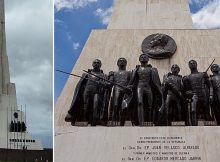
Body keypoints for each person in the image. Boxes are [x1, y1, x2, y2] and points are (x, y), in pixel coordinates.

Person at [65, 59, 109, 126]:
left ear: (100, 65)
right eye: (94, 62)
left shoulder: (103, 75)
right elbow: (80, 85)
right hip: (87, 91)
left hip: (96, 91)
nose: (96, 64)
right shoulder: (86, 74)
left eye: (98, 63)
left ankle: (94, 121)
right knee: (85, 105)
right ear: (92, 64)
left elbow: (106, 84)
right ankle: (83, 120)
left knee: (96, 105)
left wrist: (101, 82)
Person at [124, 54, 162, 126]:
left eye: (145, 57)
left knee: (150, 105)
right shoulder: (136, 70)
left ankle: (150, 121)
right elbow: (132, 81)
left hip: (148, 87)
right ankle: (141, 122)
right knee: (140, 103)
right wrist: (129, 87)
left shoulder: (152, 69)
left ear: (148, 59)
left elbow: (156, 82)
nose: (143, 58)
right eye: (141, 57)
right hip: (140, 87)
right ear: (139, 59)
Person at [183, 60, 211, 126]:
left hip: (203, 94)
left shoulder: (203, 74)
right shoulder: (187, 77)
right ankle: (194, 127)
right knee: (193, 110)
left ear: (196, 64)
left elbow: (210, 85)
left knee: (206, 110)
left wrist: (211, 95)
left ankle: (209, 126)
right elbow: (187, 90)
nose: (192, 64)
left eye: (194, 63)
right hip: (194, 95)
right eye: (190, 63)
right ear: (189, 66)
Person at [108, 58, 131, 126]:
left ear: (126, 63)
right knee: (115, 105)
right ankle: (114, 121)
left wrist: (129, 87)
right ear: (117, 63)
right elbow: (110, 84)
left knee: (124, 107)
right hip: (117, 89)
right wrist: (109, 77)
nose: (122, 62)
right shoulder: (114, 73)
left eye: (123, 61)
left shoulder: (129, 73)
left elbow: (131, 82)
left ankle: (122, 122)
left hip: (125, 89)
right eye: (120, 61)